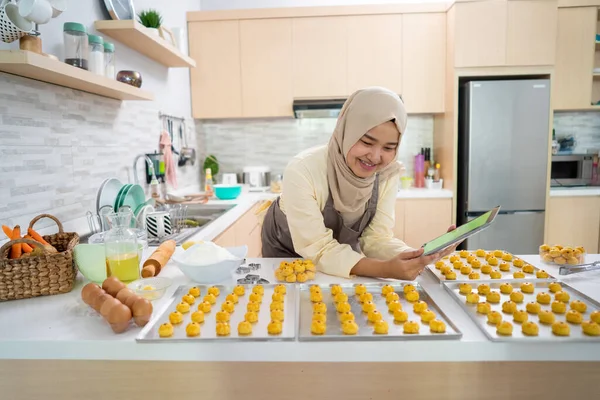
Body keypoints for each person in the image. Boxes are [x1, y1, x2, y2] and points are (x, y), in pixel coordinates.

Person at [261, 87, 457, 280]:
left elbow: (375, 238)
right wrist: (385, 270)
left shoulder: (386, 174)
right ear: (347, 132)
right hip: (286, 253)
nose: (375, 157)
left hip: (339, 258)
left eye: (389, 147)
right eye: (366, 142)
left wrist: (417, 256)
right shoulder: (303, 169)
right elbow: (318, 249)